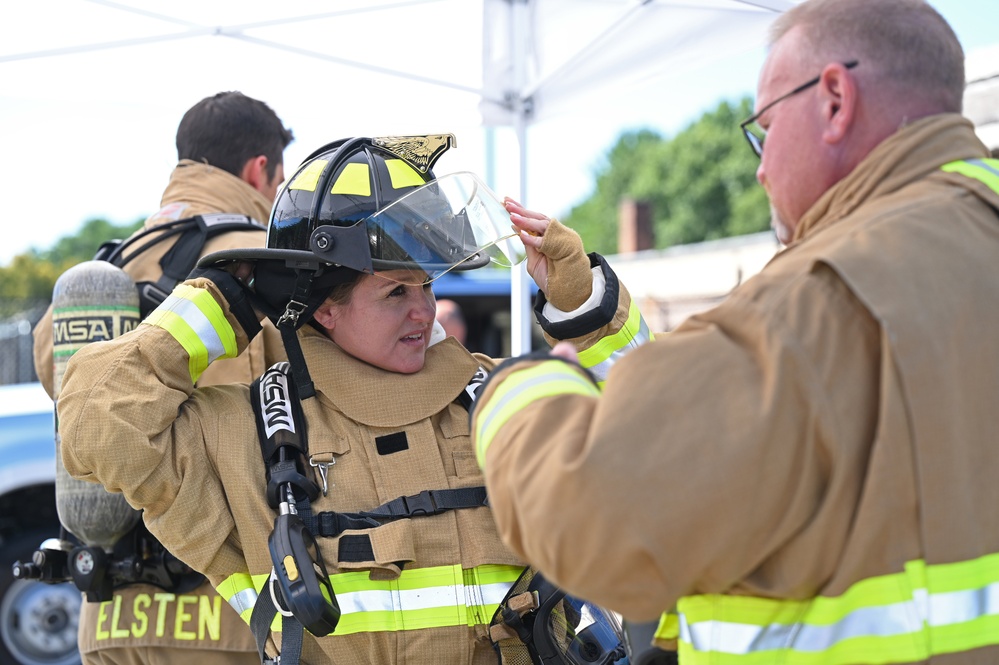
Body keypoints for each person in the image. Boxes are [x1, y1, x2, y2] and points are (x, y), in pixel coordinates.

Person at [467, 0, 999, 663]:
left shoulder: (820, 297)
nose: (759, 167)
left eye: (764, 129)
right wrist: (584, 302)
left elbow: (594, 517)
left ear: (833, 98)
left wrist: (520, 390)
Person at [56, 135, 633, 664]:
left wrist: (585, 309)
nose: (424, 311)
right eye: (395, 291)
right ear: (325, 308)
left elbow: (662, 440)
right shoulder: (244, 438)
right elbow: (92, 423)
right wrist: (225, 305)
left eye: (428, 284)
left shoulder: (495, 397)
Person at [33, 90, 294, 664]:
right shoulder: (270, 265)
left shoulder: (104, 272)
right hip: (238, 616)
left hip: (109, 616)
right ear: (260, 169)